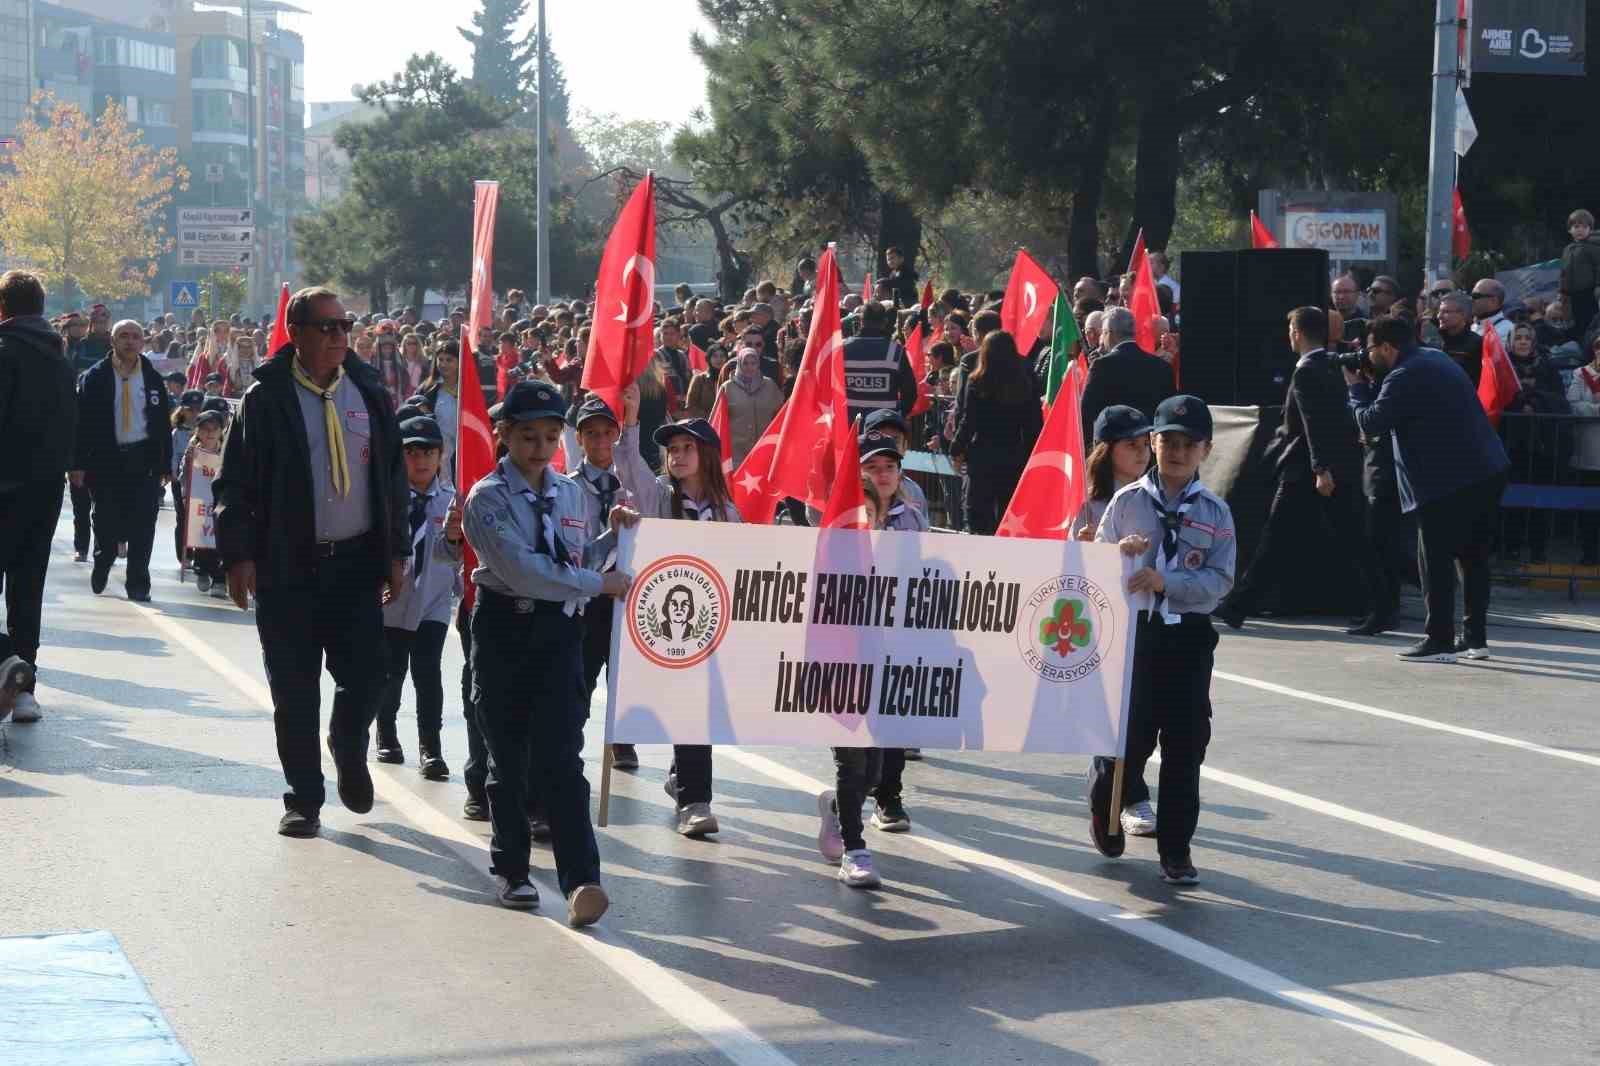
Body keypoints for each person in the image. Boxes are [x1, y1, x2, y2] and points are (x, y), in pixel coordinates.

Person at [213, 286, 410, 838]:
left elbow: (392, 478)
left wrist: (397, 551)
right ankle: (304, 797)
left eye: (345, 326)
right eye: (326, 327)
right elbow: (236, 483)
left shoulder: (369, 391)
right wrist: (239, 555)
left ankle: (348, 745)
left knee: (370, 674)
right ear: (295, 334)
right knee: (294, 690)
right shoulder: (266, 397)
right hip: (288, 564)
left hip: (355, 563)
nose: (338, 337)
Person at [462, 380, 629, 924]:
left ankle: (582, 878)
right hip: (505, 631)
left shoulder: (572, 494)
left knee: (562, 757)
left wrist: (613, 539)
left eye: (551, 436)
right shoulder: (487, 498)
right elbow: (526, 571)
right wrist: (596, 583)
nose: (540, 446)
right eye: (528, 435)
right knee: (508, 759)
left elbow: (575, 555)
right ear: (505, 435)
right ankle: (511, 868)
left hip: (559, 636)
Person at [1089, 395, 1236, 884]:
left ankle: (1177, 848)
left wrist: (1165, 582)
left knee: (1185, 742)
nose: (1176, 451)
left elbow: (1220, 581)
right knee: (1129, 736)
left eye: (1187, 443)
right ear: (1152, 443)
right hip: (1136, 635)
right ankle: (1106, 800)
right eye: (1167, 441)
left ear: (1206, 449)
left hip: (1188, 637)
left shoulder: (1215, 511)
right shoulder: (1128, 501)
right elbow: (1093, 569)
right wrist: (1118, 556)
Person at [1347, 316, 1510, 662]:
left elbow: (1372, 421)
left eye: (1371, 348)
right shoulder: (1435, 358)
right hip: (1486, 469)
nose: (1367, 354)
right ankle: (1475, 639)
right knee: (1473, 557)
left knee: (1434, 557)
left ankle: (1438, 640)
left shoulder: (1406, 374)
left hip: (1446, 480)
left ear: (1388, 348)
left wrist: (1356, 388)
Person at [616, 389, 741, 837]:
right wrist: (630, 421)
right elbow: (629, 470)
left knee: (699, 709)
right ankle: (694, 800)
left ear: (707, 456)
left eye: (688, 447)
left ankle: (682, 780)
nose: (679, 455)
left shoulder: (728, 512)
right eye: (673, 449)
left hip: (710, 624)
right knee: (688, 706)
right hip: (664, 621)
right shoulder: (657, 498)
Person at [1217, 308, 1385, 633]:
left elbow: (1313, 424)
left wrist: (1321, 469)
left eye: (1291, 328)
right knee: (1333, 539)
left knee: (1284, 539)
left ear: (1297, 332)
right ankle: (1238, 606)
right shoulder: (1331, 365)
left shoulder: (1308, 371)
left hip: (1308, 472)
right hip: (1329, 469)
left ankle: (1238, 605)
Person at [1070, 405, 1157, 835]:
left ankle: (1121, 788)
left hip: (1153, 621)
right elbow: (1068, 572)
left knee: (1143, 719)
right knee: (1114, 715)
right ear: (1108, 451)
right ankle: (1128, 796)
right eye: (1131, 446)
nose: (1142, 454)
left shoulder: (1160, 497)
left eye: (1146, 445)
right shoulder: (1089, 507)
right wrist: (1089, 547)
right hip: (1104, 627)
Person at [0, 271, 75, 724]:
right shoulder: (59, 356)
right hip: (46, 488)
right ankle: (25, 690)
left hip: (4, 485)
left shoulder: (5, 353)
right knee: (28, 588)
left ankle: (7, 661)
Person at [375, 415, 460, 778]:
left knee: (428, 674)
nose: (421, 460)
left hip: (434, 601)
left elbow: (453, 555)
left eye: (429, 452)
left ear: (442, 455)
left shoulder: (453, 501)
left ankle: (431, 747)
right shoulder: (385, 498)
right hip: (392, 600)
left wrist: (456, 537)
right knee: (391, 673)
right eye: (412, 452)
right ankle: (387, 733)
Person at [72, 319, 174, 603]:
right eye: (124, 336)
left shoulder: (153, 378)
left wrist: (165, 463)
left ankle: (138, 583)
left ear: (143, 342)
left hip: (144, 460)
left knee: (144, 523)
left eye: (136, 337)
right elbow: (81, 424)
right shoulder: (95, 377)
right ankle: (103, 560)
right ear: (113, 341)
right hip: (106, 460)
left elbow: (162, 424)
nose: (130, 341)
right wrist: (77, 463)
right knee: (106, 522)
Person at [567, 396, 638, 770]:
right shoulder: (568, 488)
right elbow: (575, 555)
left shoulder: (632, 479)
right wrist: (610, 537)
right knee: (583, 672)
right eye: (591, 434)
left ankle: (622, 739)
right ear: (579, 438)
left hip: (628, 592)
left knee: (625, 671)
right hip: (590, 591)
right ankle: (571, 738)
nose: (599, 441)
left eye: (607, 433)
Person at [949, 330, 1043, 534]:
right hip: (1013, 456)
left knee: (978, 516)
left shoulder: (977, 382)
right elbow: (1034, 425)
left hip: (982, 456)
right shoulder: (1025, 384)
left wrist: (956, 447)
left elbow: (968, 421)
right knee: (1008, 514)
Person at [1079, 307, 1176, 448]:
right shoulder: (1162, 367)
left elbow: (1086, 415)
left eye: (1102, 334)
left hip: (1114, 451)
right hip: (1150, 451)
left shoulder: (1102, 366)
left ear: (1108, 333)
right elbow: (1170, 415)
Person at [842, 300, 918, 428]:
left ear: (861, 321)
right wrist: (898, 415)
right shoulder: (895, 351)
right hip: (884, 428)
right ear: (884, 322)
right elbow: (910, 391)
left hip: (849, 427)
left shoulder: (842, 349)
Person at [182, 410, 229, 598]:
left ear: (221, 431)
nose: (209, 433)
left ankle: (219, 579)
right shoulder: (193, 450)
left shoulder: (226, 450)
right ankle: (202, 570)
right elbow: (185, 475)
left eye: (214, 429)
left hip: (220, 502)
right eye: (205, 429)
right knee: (202, 540)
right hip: (200, 503)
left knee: (221, 540)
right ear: (198, 431)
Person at [1564, 336, 1600, 565]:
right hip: (1590, 452)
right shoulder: (1581, 374)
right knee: (1589, 509)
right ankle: (1590, 554)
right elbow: (1573, 405)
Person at [719, 347, 785, 468]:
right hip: (737, 454)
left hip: (766, 450)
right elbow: (720, 421)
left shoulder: (769, 385)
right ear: (739, 363)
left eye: (753, 363)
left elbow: (781, 415)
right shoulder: (727, 388)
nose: (749, 367)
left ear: (758, 364)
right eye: (745, 363)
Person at [1561, 208, 1600, 340]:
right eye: (1576, 226)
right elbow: (1564, 272)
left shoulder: (1594, 246)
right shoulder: (1568, 249)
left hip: (1590, 294)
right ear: (1569, 230)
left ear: (1590, 228)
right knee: (1575, 327)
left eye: (1584, 226)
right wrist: (1562, 291)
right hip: (1572, 297)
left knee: (1590, 325)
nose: (1580, 230)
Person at [1470, 279, 1514, 348]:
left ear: (1493, 300)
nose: (1471, 299)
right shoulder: (1473, 326)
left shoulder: (1507, 330)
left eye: (1475, 296)